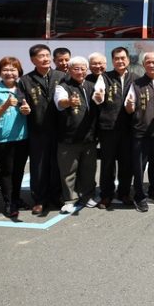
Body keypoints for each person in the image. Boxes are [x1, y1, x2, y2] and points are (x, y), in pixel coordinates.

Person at [17, 44, 66, 214]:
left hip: (59, 129)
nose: (45, 59)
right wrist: (22, 107)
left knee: (57, 165)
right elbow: (20, 100)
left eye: (47, 55)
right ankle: (39, 199)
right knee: (38, 166)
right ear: (33, 60)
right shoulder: (25, 80)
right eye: (41, 56)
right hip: (37, 130)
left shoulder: (62, 76)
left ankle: (57, 196)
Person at [0, 56, 30, 217]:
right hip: (2, 139)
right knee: (7, 172)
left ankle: (16, 198)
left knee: (19, 171)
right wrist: (5, 105)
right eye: (5, 70)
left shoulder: (22, 89)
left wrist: (27, 111)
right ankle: (9, 203)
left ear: (19, 72)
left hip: (22, 137)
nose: (9, 73)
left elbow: (28, 110)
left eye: (13, 69)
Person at [54, 56, 100, 213]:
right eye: (76, 69)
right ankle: (69, 199)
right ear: (69, 70)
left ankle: (88, 195)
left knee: (89, 169)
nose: (80, 72)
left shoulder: (92, 86)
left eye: (83, 68)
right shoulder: (62, 87)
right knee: (68, 171)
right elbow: (60, 103)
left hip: (89, 136)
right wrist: (68, 102)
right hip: (68, 137)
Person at [126, 52, 154, 209]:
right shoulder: (136, 84)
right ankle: (139, 196)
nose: (152, 65)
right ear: (143, 65)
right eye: (148, 62)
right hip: (141, 132)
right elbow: (129, 108)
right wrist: (130, 105)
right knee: (139, 167)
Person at [94, 47, 135, 210]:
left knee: (127, 163)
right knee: (107, 163)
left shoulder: (135, 78)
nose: (120, 61)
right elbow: (98, 94)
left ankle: (124, 192)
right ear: (112, 61)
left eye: (123, 58)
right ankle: (106, 194)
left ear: (128, 60)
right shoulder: (104, 77)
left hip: (128, 128)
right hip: (108, 128)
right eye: (116, 58)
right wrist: (98, 97)